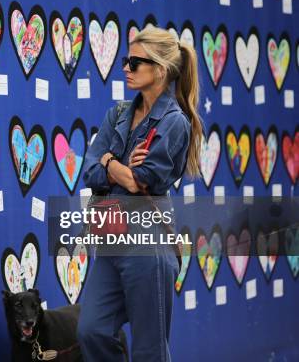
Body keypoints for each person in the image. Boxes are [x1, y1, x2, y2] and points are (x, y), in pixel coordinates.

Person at [77, 27, 204, 361]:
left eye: (134, 62)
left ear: (159, 70)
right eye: (125, 61)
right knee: (91, 330)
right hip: (111, 239)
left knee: (149, 349)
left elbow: (144, 179)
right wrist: (116, 165)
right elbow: (90, 172)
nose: (126, 69)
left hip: (148, 244)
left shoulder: (175, 122)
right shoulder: (118, 113)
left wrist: (109, 162)